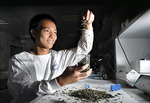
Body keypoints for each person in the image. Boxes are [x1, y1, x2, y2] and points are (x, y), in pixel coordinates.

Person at [7, 9, 95, 103]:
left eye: (55, 32)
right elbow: (24, 92)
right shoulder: (19, 60)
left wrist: (88, 26)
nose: (52, 36)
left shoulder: (59, 57)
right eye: (47, 30)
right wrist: (59, 81)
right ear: (34, 33)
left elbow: (84, 49)